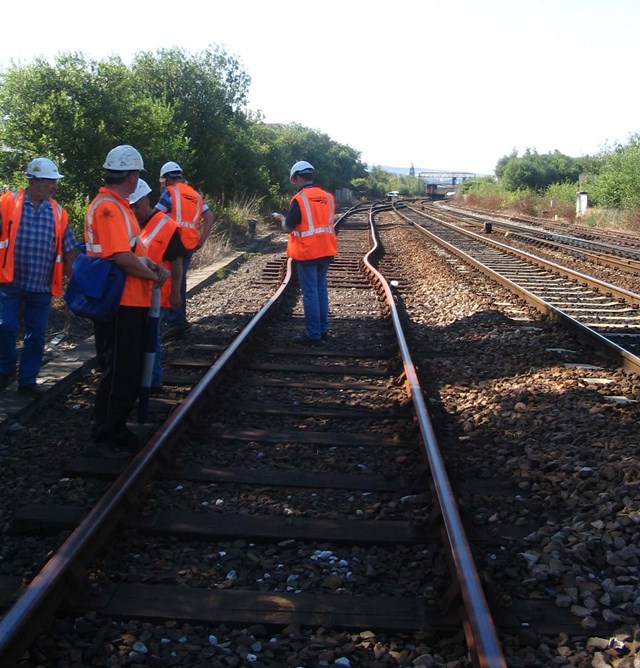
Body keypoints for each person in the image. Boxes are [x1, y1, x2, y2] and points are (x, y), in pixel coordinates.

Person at [85, 145, 168, 455]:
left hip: (131, 299)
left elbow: (132, 252)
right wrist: (153, 275)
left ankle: (116, 428)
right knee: (118, 369)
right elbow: (120, 258)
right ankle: (104, 434)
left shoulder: (118, 206)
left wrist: (151, 265)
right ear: (131, 177)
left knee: (128, 368)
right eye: (137, 175)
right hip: (119, 301)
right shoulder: (108, 208)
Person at [0, 157, 77, 395]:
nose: (53, 186)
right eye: (49, 181)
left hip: (41, 286)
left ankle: (27, 381)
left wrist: (73, 281)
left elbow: (70, 248)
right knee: (5, 327)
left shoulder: (58, 212)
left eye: (54, 182)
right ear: (34, 180)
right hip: (8, 281)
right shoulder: (7, 204)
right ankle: (5, 369)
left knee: (36, 336)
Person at [129, 178, 186, 393]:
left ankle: (152, 382)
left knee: (151, 338)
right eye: (131, 206)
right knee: (143, 338)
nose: (134, 210)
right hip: (135, 294)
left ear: (146, 200)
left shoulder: (166, 225)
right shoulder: (130, 223)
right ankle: (145, 380)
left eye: (137, 205)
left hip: (157, 294)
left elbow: (177, 261)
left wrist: (176, 294)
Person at [272, 160, 337, 346]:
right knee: (321, 290)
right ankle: (323, 330)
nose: (295, 183)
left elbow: (288, 226)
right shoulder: (328, 197)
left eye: (294, 180)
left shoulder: (300, 199)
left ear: (299, 177)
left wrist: (280, 218)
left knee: (310, 293)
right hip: (326, 249)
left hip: (308, 252)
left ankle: (313, 334)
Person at [155, 161, 215, 336]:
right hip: (189, 243)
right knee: (180, 280)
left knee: (170, 280)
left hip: (171, 244)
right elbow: (209, 217)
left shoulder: (169, 193)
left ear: (166, 178)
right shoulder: (195, 195)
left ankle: (175, 319)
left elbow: (155, 217)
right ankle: (177, 318)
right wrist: (202, 240)